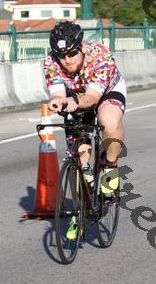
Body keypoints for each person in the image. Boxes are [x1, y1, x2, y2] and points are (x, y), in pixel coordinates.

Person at [44, 21, 127, 196]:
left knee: (108, 121)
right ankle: (84, 179)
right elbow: (57, 93)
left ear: (81, 47)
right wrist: (58, 101)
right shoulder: (51, 61)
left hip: (106, 91)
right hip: (74, 95)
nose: (67, 60)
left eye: (72, 54)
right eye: (61, 55)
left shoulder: (100, 56)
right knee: (78, 149)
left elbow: (92, 98)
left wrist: (74, 100)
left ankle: (111, 166)